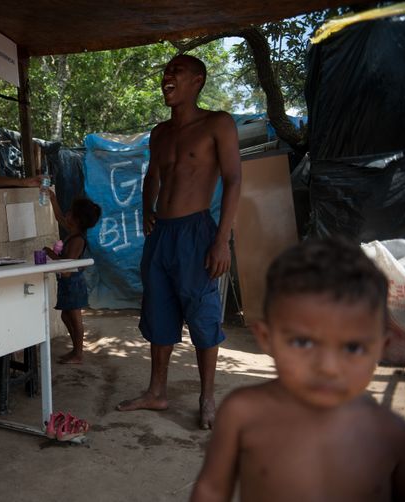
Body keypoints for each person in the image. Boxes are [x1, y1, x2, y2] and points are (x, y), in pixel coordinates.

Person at [190, 237, 405, 502]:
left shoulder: (393, 437)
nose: (327, 367)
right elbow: (211, 490)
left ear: (381, 347)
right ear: (266, 338)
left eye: (353, 347)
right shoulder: (242, 415)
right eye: (303, 342)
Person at [116, 54, 241, 430]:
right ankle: (157, 392)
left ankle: (207, 398)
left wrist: (222, 241)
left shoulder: (217, 123)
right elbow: (151, 175)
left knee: (202, 314)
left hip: (197, 232)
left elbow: (234, 180)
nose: (167, 76)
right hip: (162, 236)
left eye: (177, 71)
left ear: (198, 81)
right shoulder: (160, 133)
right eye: (166, 70)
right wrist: (145, 210)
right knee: (158, 310)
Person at [42, 190, 101, 364]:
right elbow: (59, 217)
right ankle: (76, 349)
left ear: (75, 220)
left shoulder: (77, 240)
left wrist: (51, 254)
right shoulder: (73, 231)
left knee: (75, 318)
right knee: (65, 316)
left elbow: (67, 267)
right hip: (67, 283)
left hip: (73, 284)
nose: (66, 214)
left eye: (70, 212)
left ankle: (78, 353)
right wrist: (53, 197)